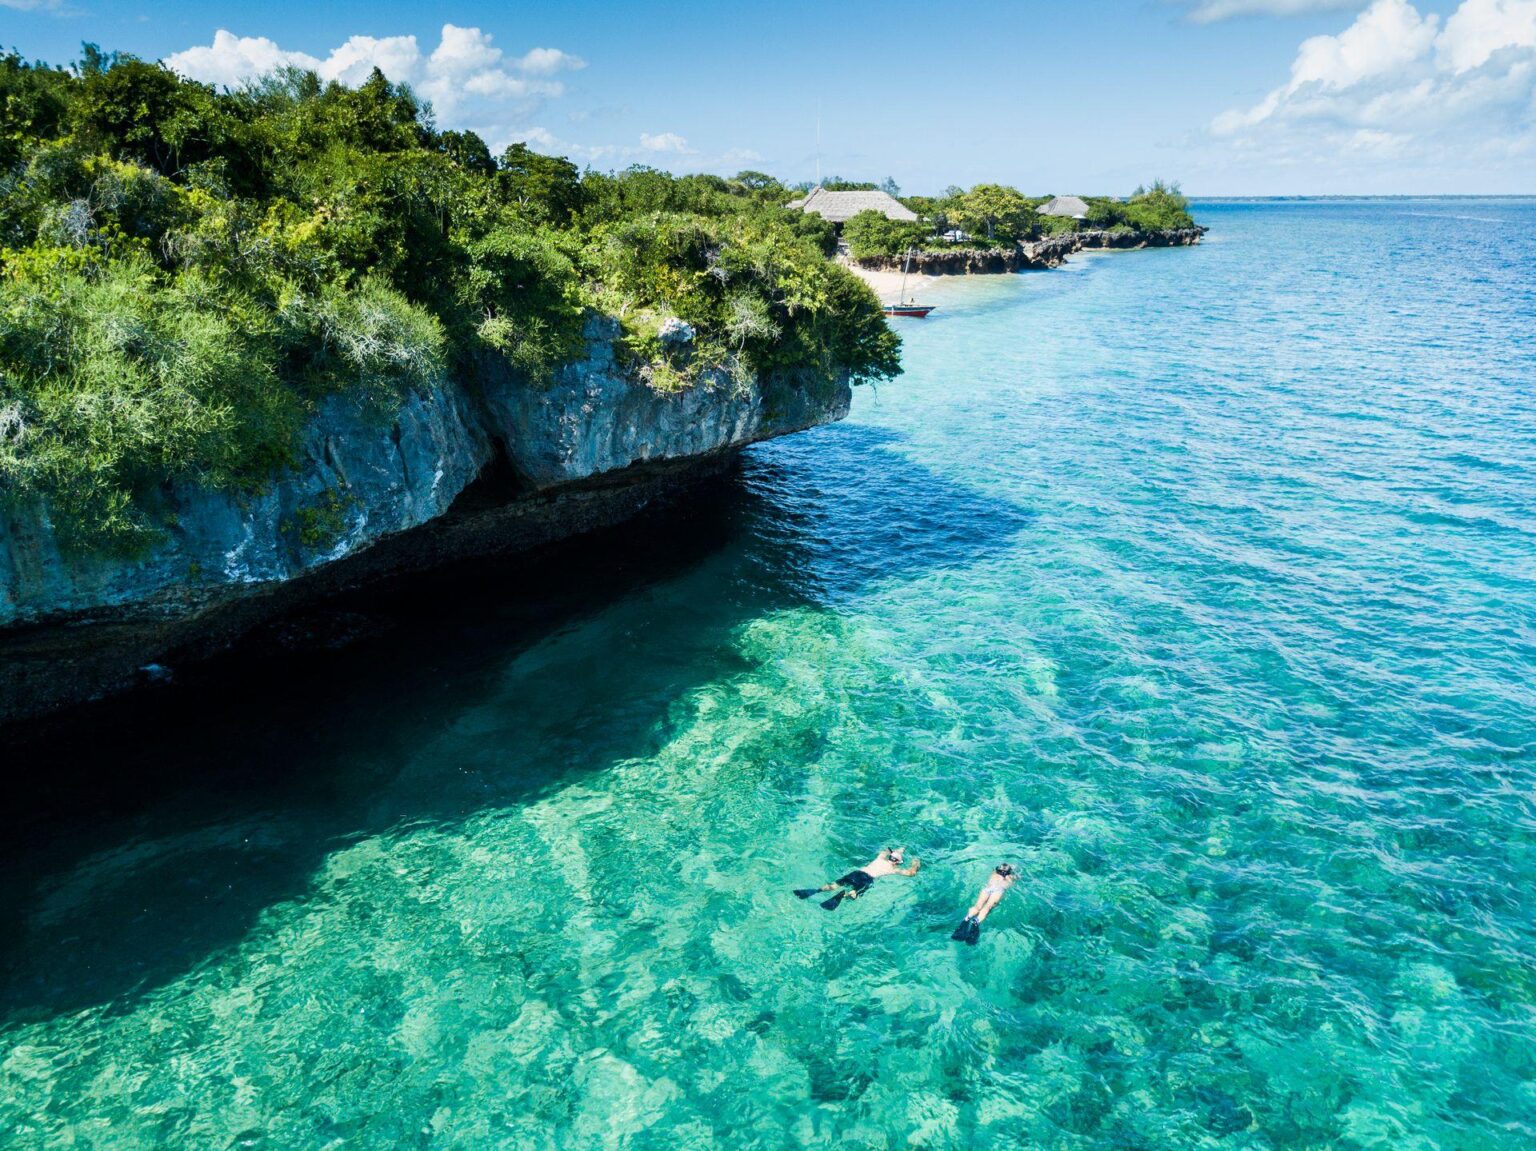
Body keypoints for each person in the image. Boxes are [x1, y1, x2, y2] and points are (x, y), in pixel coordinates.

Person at [794, 847, 921, 911]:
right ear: (898, 863)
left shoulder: (880, 858)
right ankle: (843, 895)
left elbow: (885, 850)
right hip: (867, 879)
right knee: (854, 894)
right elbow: (911, 873)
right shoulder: (894, 869)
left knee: (834, 885)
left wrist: (897, 849)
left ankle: (815, 891)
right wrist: (916, 864)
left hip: (858, 872)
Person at [952, 863, 1015, 944]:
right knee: (988, 907)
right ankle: (976, 922)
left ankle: (967, 918)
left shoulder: (994, 873)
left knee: (977, 905)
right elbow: (1015, 876)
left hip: (988, 888)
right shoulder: (1010, 877)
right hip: (998, 891)